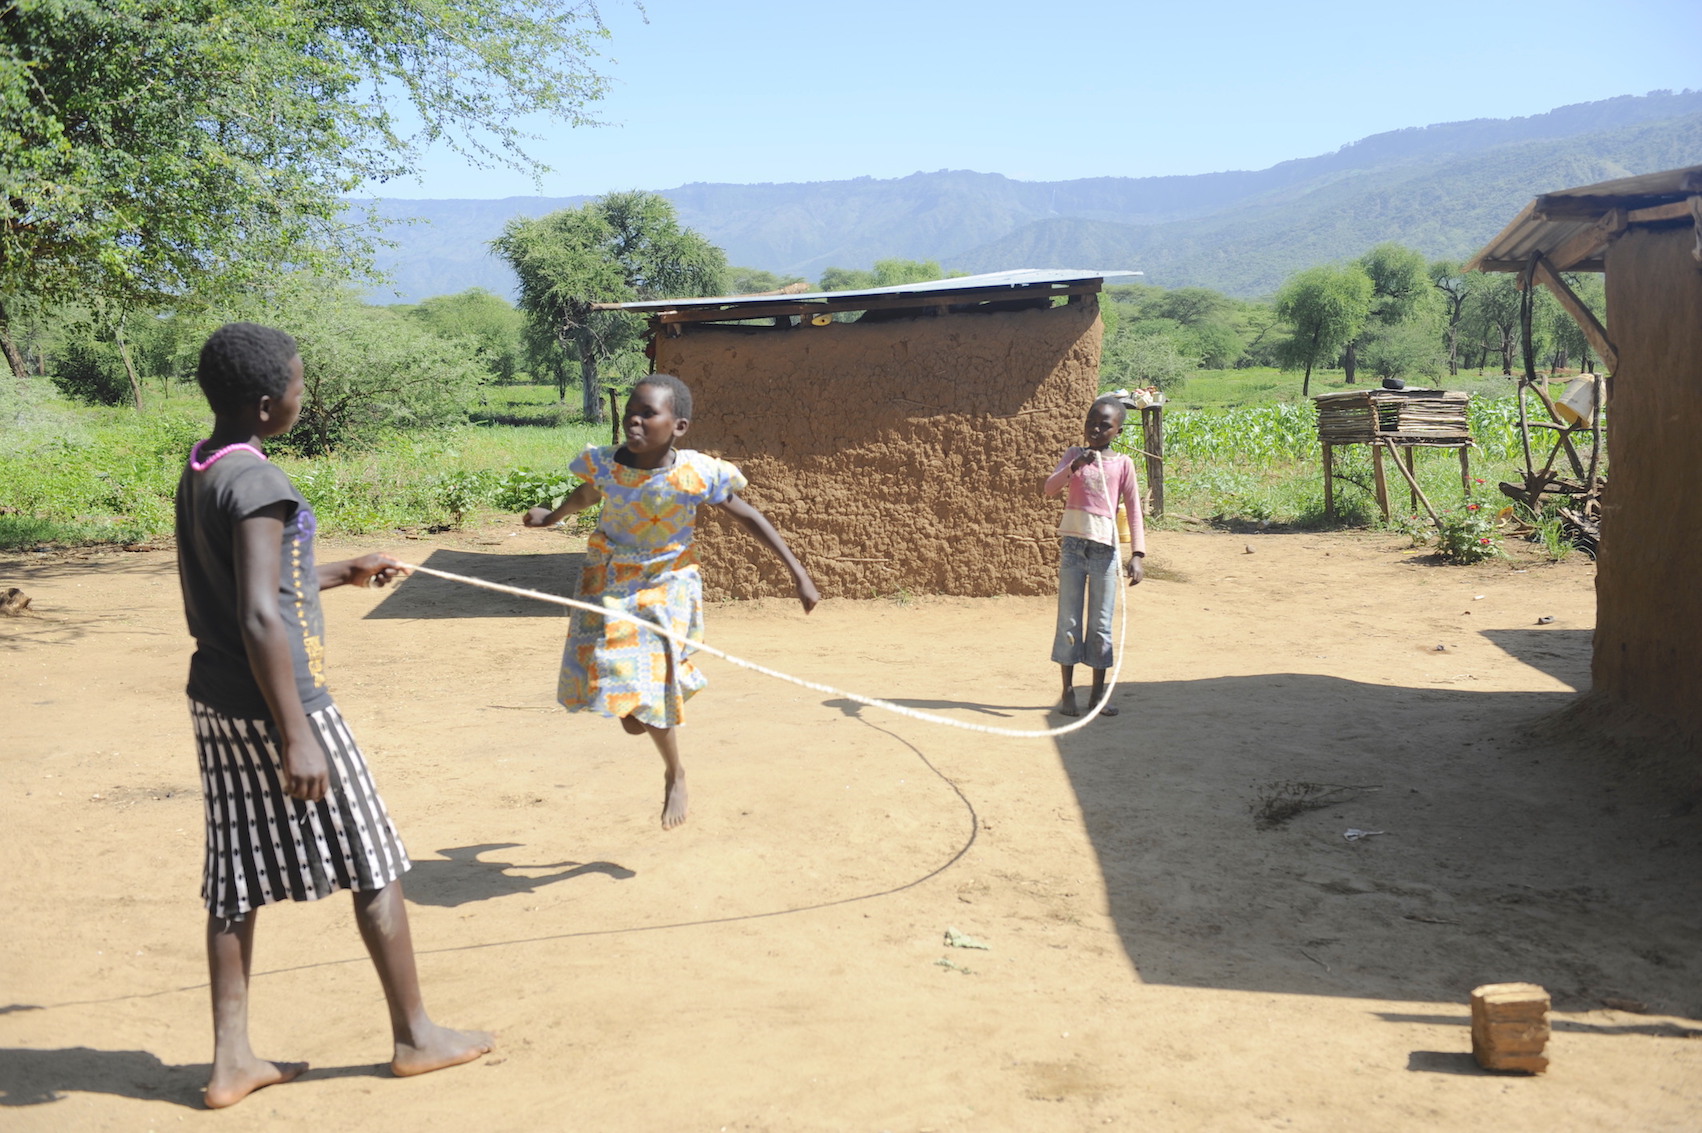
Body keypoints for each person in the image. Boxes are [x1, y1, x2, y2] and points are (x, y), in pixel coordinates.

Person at [175, 323, 491, 1109]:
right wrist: (297, 732)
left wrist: (342, 570)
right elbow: (257, 615)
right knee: (374, 858)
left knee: (236, 875)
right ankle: (417, 1035)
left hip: (218, 698)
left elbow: (259, 579)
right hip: (282, 704)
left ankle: (232, 1060)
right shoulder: (259, 483)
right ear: (264, 402)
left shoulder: (207, 463)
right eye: (296, 383)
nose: (300, 394)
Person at [523, 374, 819, 829]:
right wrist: (551, 518)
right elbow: (584, 497)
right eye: (629, 415)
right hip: (610, 581)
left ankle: (675, 773)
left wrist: (797, 573)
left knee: (641, 685)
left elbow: (749, 517)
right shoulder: (604, 465)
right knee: (630, 711)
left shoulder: (696, 473)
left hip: (668, 584)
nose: (634, 423)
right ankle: (653, 709)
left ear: (678, 426)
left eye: (647, 414)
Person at [1043, 394, 1146, 718]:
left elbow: (1133, 509)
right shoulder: (1074, 455)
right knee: (1069, 621)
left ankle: (1097, 696)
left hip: (1105, 551)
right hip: (1073, 548)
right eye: (1092, 423)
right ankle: (1068, 692)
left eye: (1105, 425)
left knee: (1100, 624)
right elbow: (1049, 488)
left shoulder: (1123, 464)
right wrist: (1074, 466)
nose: (1096, 430)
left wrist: (1138, 554)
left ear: (1118, 431)